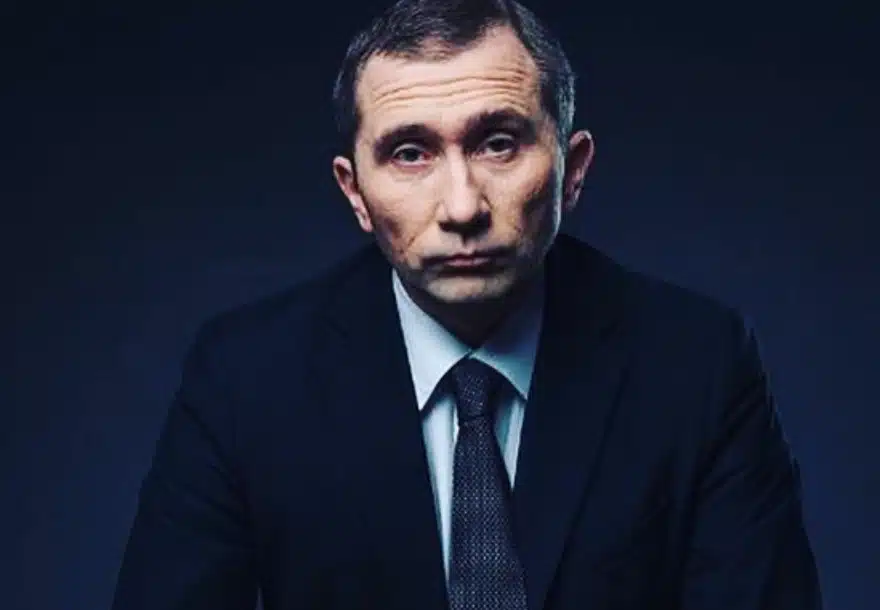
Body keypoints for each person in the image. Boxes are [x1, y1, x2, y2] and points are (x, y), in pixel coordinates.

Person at [111, 0, 822, 608]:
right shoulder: (244, 379)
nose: (461, 207)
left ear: (572, 171)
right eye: (410, 154)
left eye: (498, 144)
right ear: (355, 192)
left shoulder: (697, 364)